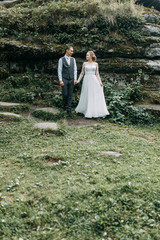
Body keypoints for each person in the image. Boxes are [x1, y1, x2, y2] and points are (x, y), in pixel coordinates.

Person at [75, 51, 109, 118]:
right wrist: (78, 81)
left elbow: (97, 74)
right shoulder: (84, 63)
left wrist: (100, 82)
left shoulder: (96, 64)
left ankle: (92, 111)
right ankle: (86, 110)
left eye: (87, 55)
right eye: (86, 55)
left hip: (93, 80)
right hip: (86, 80)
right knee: (87, 94)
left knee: (93, 95)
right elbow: (82, 73)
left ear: (91, 56)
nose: (86, 56)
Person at [58, 46, 77, 114]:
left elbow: (75, 70)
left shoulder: (73, 59)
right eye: (71, 51)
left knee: (70, 94)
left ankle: (69, 109)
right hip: (64, 79)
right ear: (67, 50)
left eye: (72, 51)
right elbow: (59, 70)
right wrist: (60, 80)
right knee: (65, 94)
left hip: (71, 79)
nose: (72, 52)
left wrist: (75, 79)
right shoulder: (61, 59)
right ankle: (63, 106)